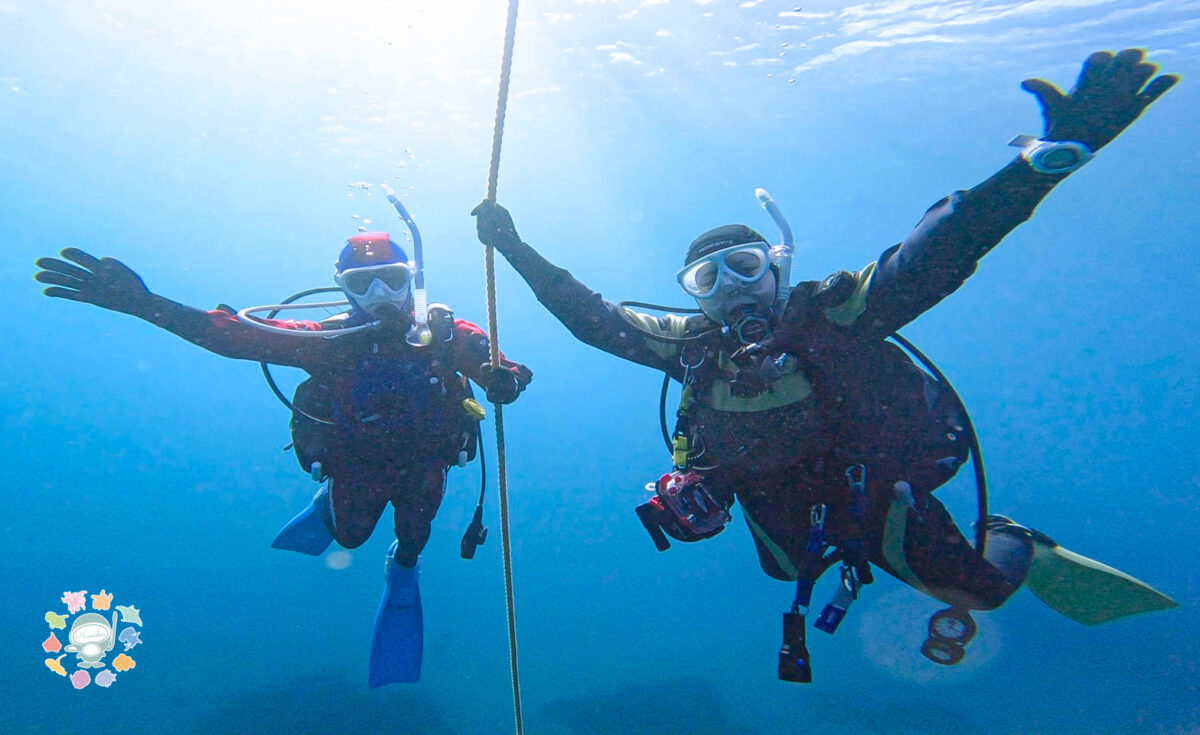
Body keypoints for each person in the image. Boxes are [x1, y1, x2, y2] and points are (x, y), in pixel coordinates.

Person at [473, 49, 1178, 680]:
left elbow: (939, 250)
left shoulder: (837, 315)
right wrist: (516, 249)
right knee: (782, 570)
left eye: (745, 267)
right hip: (777, 504)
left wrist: (1040, 165)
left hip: (872, 492)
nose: (732, 291)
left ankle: (1018, 540)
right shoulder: (692, 345)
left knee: (981, 591)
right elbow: (594, 319)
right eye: (708, 281)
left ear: (777, 267)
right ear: (693, 296)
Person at [34, 228, 532, 687]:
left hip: (426, 462)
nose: (380, 295)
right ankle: (327, 501)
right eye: (363, 284)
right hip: (357, 463)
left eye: (392, 280)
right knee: (350, 535)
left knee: (414, 537)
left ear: (413, 281)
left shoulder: (445, 334)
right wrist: (145, 304)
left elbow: (497, 362)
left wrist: (504, 379)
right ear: (343, 289)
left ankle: (402, 571)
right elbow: (231, 337)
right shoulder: (325, 342)